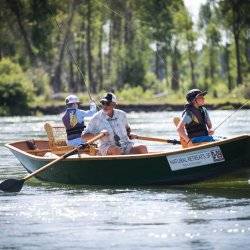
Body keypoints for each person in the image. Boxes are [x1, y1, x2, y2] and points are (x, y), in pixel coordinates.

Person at [82, 92, 148, 155]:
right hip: (107, 147)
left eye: (107, 103)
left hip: (126, 145)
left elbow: (127, 128)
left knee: (143, 147)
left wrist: (129, 134)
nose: (105, 106)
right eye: (103, 103)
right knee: (117, 150)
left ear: (114, 105)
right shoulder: (96, 118)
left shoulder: (122, 114)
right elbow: (84, 136)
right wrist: (98, 134)